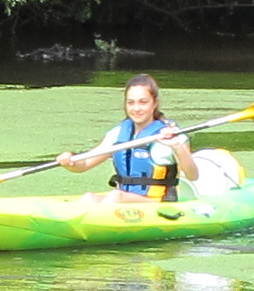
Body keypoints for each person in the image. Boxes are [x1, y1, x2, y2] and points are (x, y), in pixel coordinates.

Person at [55, 72, 196, 207]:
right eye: (131, 103)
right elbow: (84, 165)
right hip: (123, 201)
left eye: (143, 102)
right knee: (89, 198)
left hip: (158, 203)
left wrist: (177, 146)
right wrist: (70, 161)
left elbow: (192, 175)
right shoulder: (118, 134)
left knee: (116, 196)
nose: (136, 108)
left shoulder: (171, 136)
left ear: (154, 103)